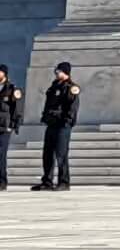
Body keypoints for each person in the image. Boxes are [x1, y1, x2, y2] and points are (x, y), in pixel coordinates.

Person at [37, 61, 77, 191]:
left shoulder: (71, 87)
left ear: (65, 72)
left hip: (62, 125)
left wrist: (67, 121)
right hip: (51, 124)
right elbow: (48, 104)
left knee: (61, 154)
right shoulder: (54, 86)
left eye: (59, 71)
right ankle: (47, 181)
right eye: (56, 70)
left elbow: (72, 108)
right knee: (47, 154)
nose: (56, 72)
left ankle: (64, 182)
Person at [0, 65, 19, 189]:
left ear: (4, 74)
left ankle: (2, 181)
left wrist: (13, 125)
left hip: (4, 127)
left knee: (1, 155)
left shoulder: (11, 89)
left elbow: (16, 109)